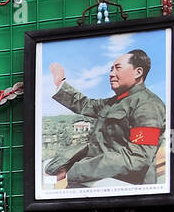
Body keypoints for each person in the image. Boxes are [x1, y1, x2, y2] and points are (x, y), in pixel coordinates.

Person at [44, 49, 166, 187]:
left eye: (118, 68)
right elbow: (86, 104)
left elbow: (137, 158)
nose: (111, 74)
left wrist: (75, 171)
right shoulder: (114, 102)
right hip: (96, 176)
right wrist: (60, 82)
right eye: (111, 69)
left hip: (125, 186)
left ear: (138, 72)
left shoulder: (148, 105)